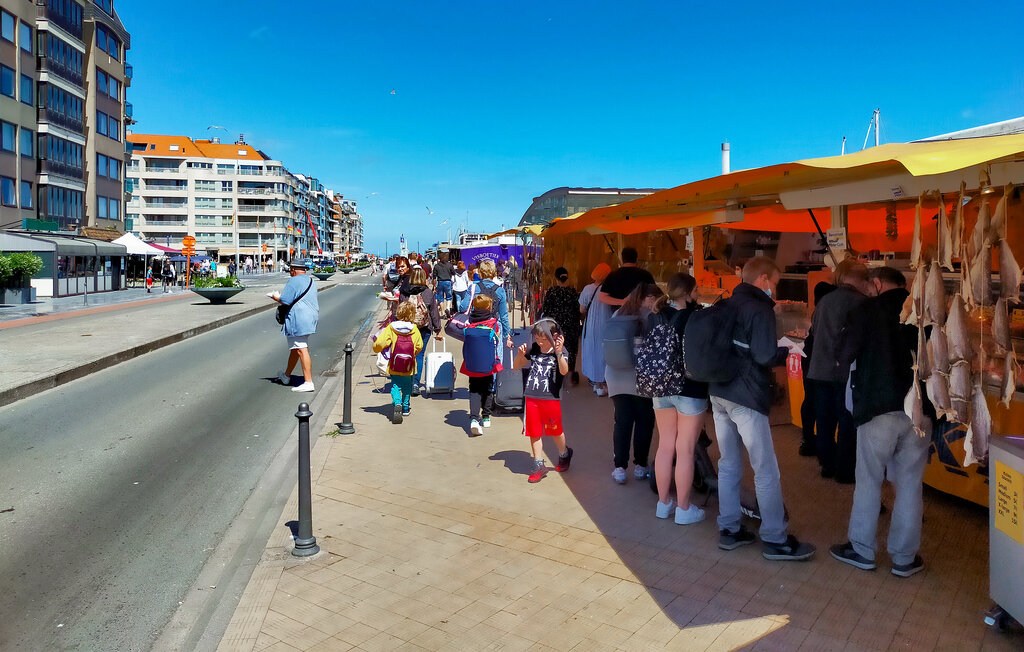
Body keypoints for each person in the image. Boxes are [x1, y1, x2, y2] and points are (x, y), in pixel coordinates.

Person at [710, 257, 815, 561]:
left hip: (719, 393)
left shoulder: (726, 303)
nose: (775, 288)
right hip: (746, 396)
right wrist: (789, 349)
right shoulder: (760, 309)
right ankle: (775, 538)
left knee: (729, 464)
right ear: (764, 280)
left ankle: (729, 530)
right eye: (775, 282)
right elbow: (765, 354)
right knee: (765, 469)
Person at [831, 267, 930, 577]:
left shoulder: (866, 311)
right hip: (920, 408)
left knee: (870, 480)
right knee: (911, 484)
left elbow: (844, 354)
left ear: (876, 284)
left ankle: (861, 550)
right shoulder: (925, 311)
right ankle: (904, 559)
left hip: (877, 408)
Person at [649, 273, 709, 524]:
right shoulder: (695, 317)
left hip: (660, 387)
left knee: (665, 446)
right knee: (684, 450)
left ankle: (663, 504)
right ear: (689, 292)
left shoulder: (656, 315)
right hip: (689, 388)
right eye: (696, 290)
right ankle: (684, 509)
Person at [807, 260, 870, 483]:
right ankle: (845, 469)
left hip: (819, 368)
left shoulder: (825, 301)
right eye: (866, 280)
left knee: (824, 420)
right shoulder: (860, 303)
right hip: (844, 372)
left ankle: (827, 463)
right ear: (858, 280)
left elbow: (814, 329)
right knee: (847, 421)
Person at [606, 283, 662, 484]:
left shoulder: (618, 313)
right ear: (649, 298)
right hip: (641, 378)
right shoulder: (650, 317)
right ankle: (640, 466)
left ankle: (620, 468)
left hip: (615, 375)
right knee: (644, 422)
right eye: (656, 299)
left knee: (622, 422)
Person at [513, 319, 573, 483]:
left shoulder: (560, 351)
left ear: (554, 337)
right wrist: (519, 356)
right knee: (534, 431)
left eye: (544, 339)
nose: (540, 342)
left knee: (555, 430)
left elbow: (564, 370)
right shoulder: (534, 348)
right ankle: (538, 464)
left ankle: (564, 453)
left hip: (551, 398)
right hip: (532, 396)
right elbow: (516, 366)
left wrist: (559, 352)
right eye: (537, 338)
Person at [798, 279, 837, 456]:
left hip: (808, 358)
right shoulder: (827, 312)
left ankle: (807, 439)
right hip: (820, 362)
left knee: (809, 401)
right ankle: (823, 444)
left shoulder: (817, 312)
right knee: (823, 405)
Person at [373, 300, 424, 424]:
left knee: (395, 385)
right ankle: (405, 408)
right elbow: (419, 346)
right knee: (407, 387)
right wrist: (413, 353)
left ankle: (397, 402)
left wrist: (376, 348)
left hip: (395, 364)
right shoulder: (415, 329)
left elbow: (380, 343)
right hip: (409, 365)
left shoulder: (392, 328)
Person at [273, 259, 319, 393]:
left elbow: (286, 300)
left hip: (298, 319)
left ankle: (308, 382)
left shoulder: (293, 281)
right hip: (310, 317)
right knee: (296, 348)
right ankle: (286, 376)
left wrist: (275, 297)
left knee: (301, 349)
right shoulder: (310, 280)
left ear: (293, 270)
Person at [460, 294, 502, 435]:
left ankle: (473, 418)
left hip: (472, 362)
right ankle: (486, 416)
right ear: (488, 307)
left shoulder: (468, 322)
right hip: (489, 362)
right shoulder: (493, 323)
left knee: (474, 389)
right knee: (488, 388)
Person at [399, 267, 443, 396]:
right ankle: (415, 384)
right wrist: (438, 329)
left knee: (406, 354)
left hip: (407, 329)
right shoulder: (428, 292)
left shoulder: (404, 292)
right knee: (419, 355)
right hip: (424, 328)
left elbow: (399, 311)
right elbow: (434, 313)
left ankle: (406, 381)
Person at [539, 267, 582, 384]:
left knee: (556, 349)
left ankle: (557, 372)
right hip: (571, 326)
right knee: (572, 350)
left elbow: (546, 311)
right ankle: (571, 372)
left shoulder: (552, 292)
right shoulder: (573, 292)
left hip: (556, 327)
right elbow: (578, 310)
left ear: (556, 278)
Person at [579, 263, 612, 395]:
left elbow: (581, 309)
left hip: (591, 324)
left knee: (592, 352)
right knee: (604, 353)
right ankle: (603, 383)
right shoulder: (611, 289)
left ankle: (596, 382)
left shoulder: (587, 289)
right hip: (607, 323)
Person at [475, 259, 512, 349]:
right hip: (495, 327)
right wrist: (507, 334)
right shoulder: (500, 290)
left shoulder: (473, 288)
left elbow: (463, 307)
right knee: (496, 358)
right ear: (494, 272)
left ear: (480, 272)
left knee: (477, 356)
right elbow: (504, 315)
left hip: (476, 325)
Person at [432, 252, 455, 316]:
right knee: (449, 296)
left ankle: (442, 312)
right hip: (448, 281)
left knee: (440, 297)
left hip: (440, 282)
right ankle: (447, 308)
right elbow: (453, 273)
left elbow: (434, 277)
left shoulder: (436, 266)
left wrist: (434, 286)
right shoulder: (449, 265)